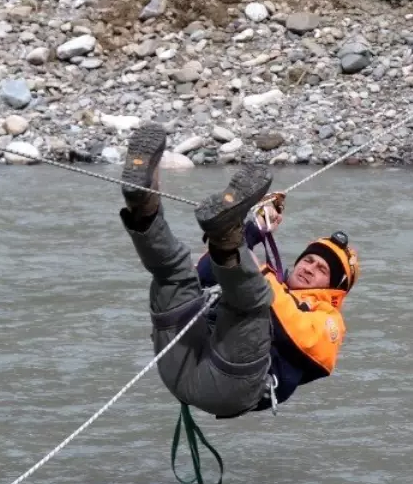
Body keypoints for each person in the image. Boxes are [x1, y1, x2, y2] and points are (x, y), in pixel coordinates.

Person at [118, 124, 359, 420]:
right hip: (180, 355)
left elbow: (297, 334)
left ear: (333, 288)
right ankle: (144, 206)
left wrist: (253, 262)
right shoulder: (271, 282)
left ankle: (228, 234)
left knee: (251, 302)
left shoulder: (328, 321)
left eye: (322, 270)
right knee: (175, 274)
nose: (310, 268)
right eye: (309, 260)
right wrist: (254, 232)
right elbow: (205, 272)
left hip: (230, 385)